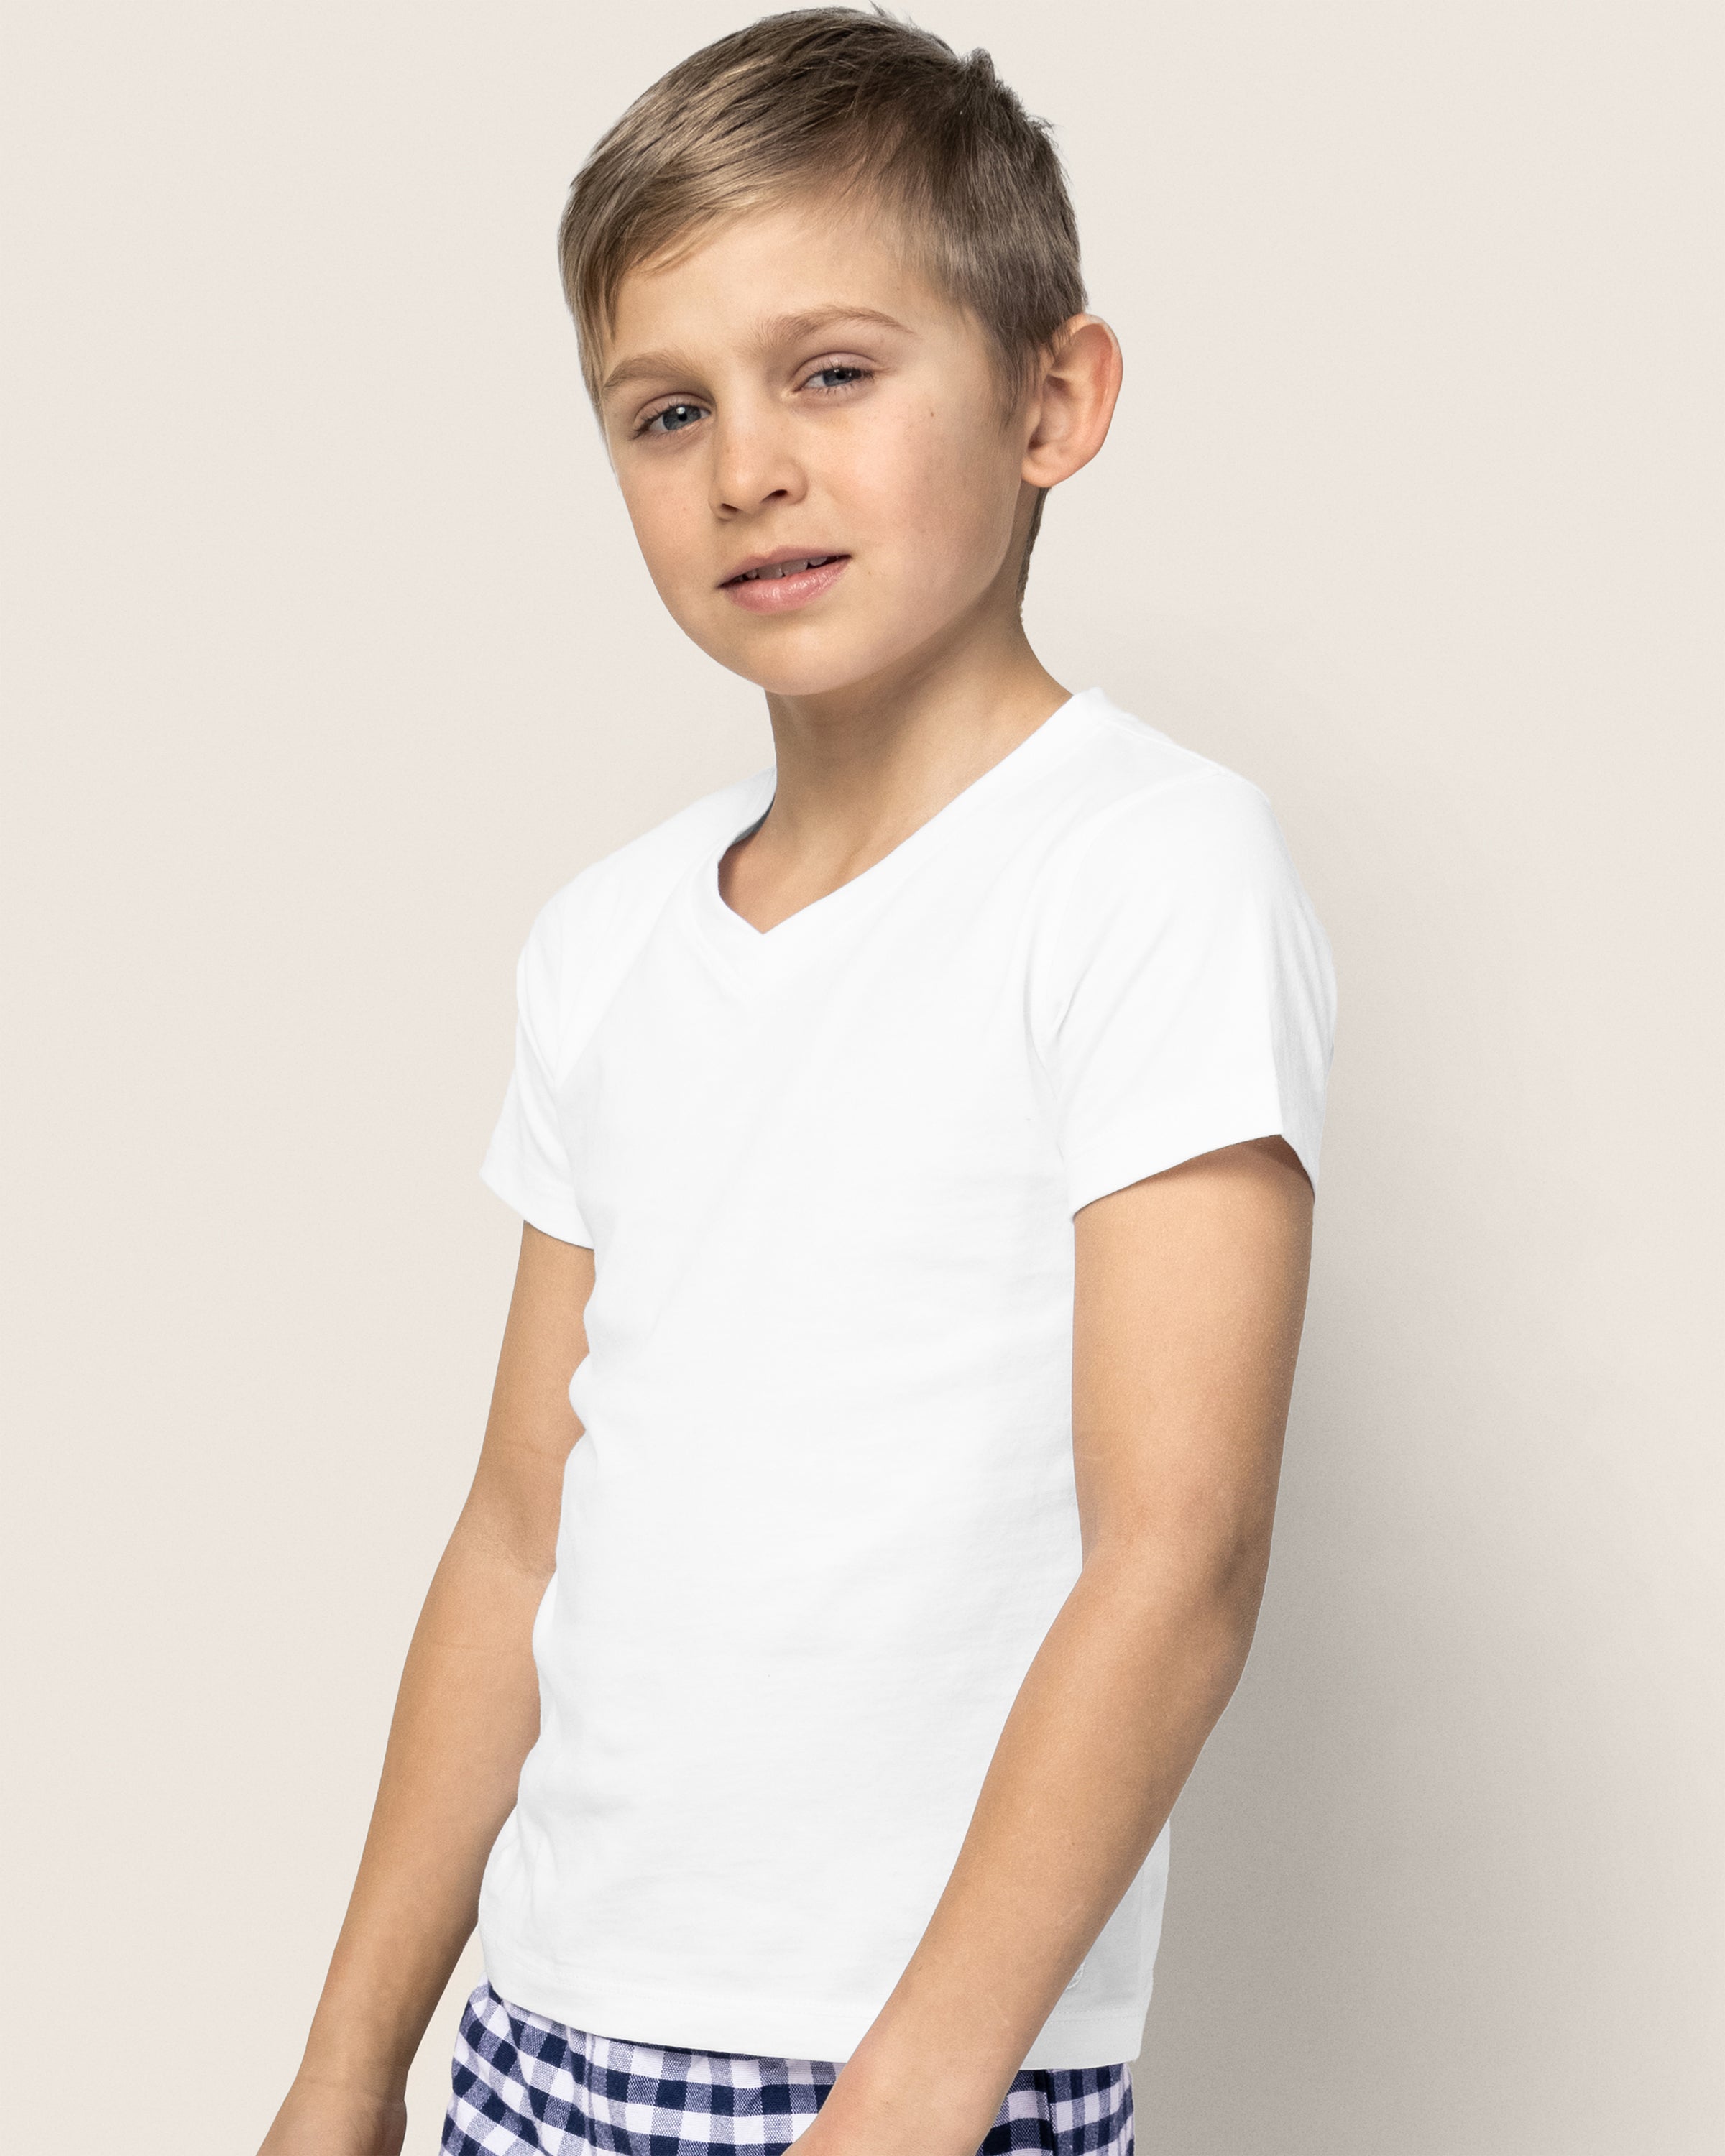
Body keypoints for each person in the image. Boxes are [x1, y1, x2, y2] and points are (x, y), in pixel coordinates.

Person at [260, 11, 1336, 2155]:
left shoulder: (1144, 872)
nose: (746, 463)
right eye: (667, 412)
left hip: (900, 2073)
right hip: (543, 2039)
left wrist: (918, 2090)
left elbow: (1178, 1556)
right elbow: (516, 1532)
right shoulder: (605, 942)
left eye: (830, 373)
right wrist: (349, 2060)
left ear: (1055, 398)